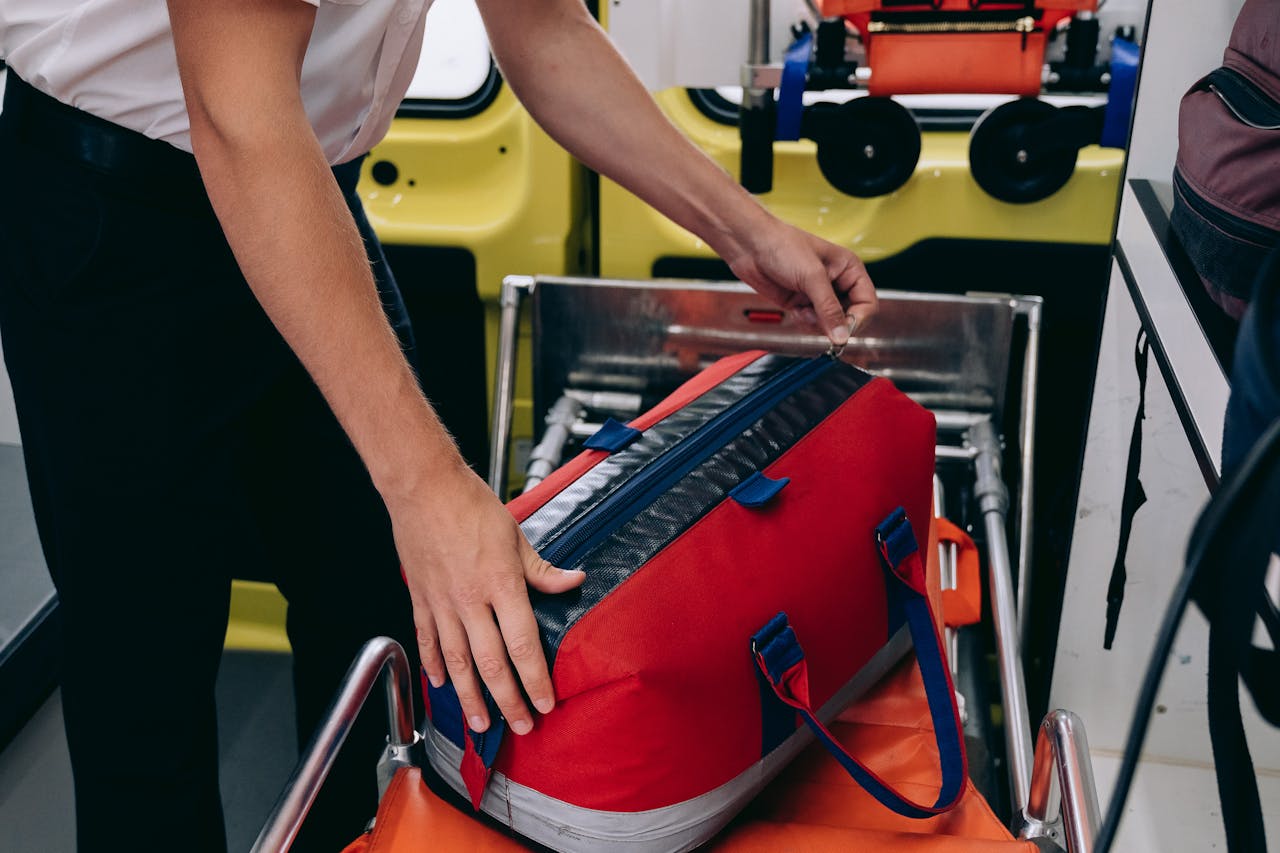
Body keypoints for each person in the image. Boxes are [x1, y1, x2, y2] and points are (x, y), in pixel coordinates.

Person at [0, 0, 878, 849]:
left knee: (380, 630)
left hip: (304, 190)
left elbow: (543, 29)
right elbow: (238, 115)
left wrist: (746, 232)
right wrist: (426, 486)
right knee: (142, 669)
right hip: (117, 210)